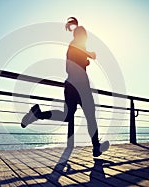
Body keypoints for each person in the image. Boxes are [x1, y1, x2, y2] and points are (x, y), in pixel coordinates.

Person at [21, 17, 109, 157]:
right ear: (81, 36)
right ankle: (96, 147)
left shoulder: (76, 47)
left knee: (67, 116)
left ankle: (38, 114)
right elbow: (79, 53)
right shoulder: (75, 45)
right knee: (90, 117)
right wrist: (90, 55)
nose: (85, 39)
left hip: (71, 86)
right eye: (84, 36)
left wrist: (85, 61)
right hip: (80, 88)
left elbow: (74, 63)